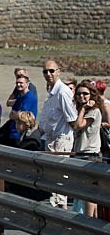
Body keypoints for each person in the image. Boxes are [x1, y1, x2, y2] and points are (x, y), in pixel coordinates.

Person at [40, 60, 77, 209]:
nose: (48, 74)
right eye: (45, 71)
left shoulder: (62, 92)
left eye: (51, 71)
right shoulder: (52, 92)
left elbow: (72, 118)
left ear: (58, 72)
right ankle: (57, 207)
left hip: (62, 138)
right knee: (52, 176)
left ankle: (59, 208)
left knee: (59, 176)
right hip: (51, 138)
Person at [73, 82, 101, 217]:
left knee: (89, 191)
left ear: (92, 95)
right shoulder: (80, 110)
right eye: (79, 94)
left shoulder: (94, 112)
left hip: (90, 154)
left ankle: (89, 221)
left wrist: (83, 109)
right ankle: (88, 220)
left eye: (85, 93)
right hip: (79, 153)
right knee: (83, 190)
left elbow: (79, 125)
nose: (81, 96)